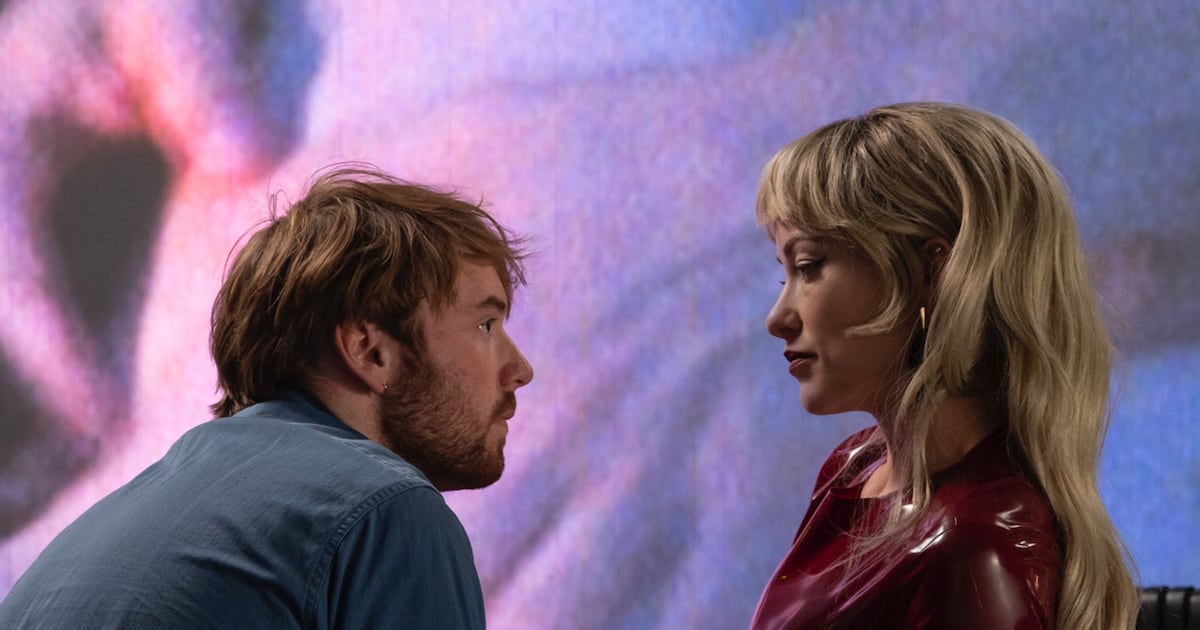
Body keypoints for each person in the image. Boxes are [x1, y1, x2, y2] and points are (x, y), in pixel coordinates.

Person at [0, 165, 534, 629]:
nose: (520, 370)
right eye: (485, 326)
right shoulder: (386, 511)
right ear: (370, 352)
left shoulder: (82, 544)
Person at [748, 103, 1137, 629]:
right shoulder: (855, 467)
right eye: (785, 274)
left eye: (809, 266)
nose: (777, 319)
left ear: (934, 273)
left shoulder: (976, 551)